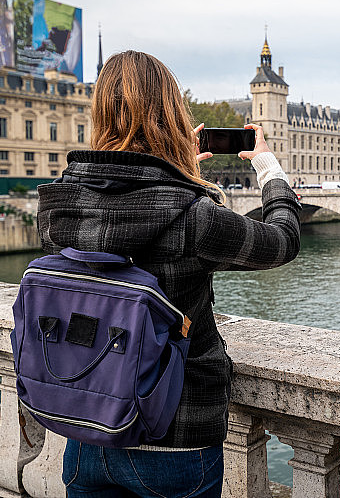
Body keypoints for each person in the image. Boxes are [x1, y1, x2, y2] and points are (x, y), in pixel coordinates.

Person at [37, 51, 301, 497]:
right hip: (177, 434)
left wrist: (177, 169)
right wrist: (268, 167)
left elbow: (119, 200)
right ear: (172, 114)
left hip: (85, 428)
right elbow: (282, 240)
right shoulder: (194, 216)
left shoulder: (56, 206)